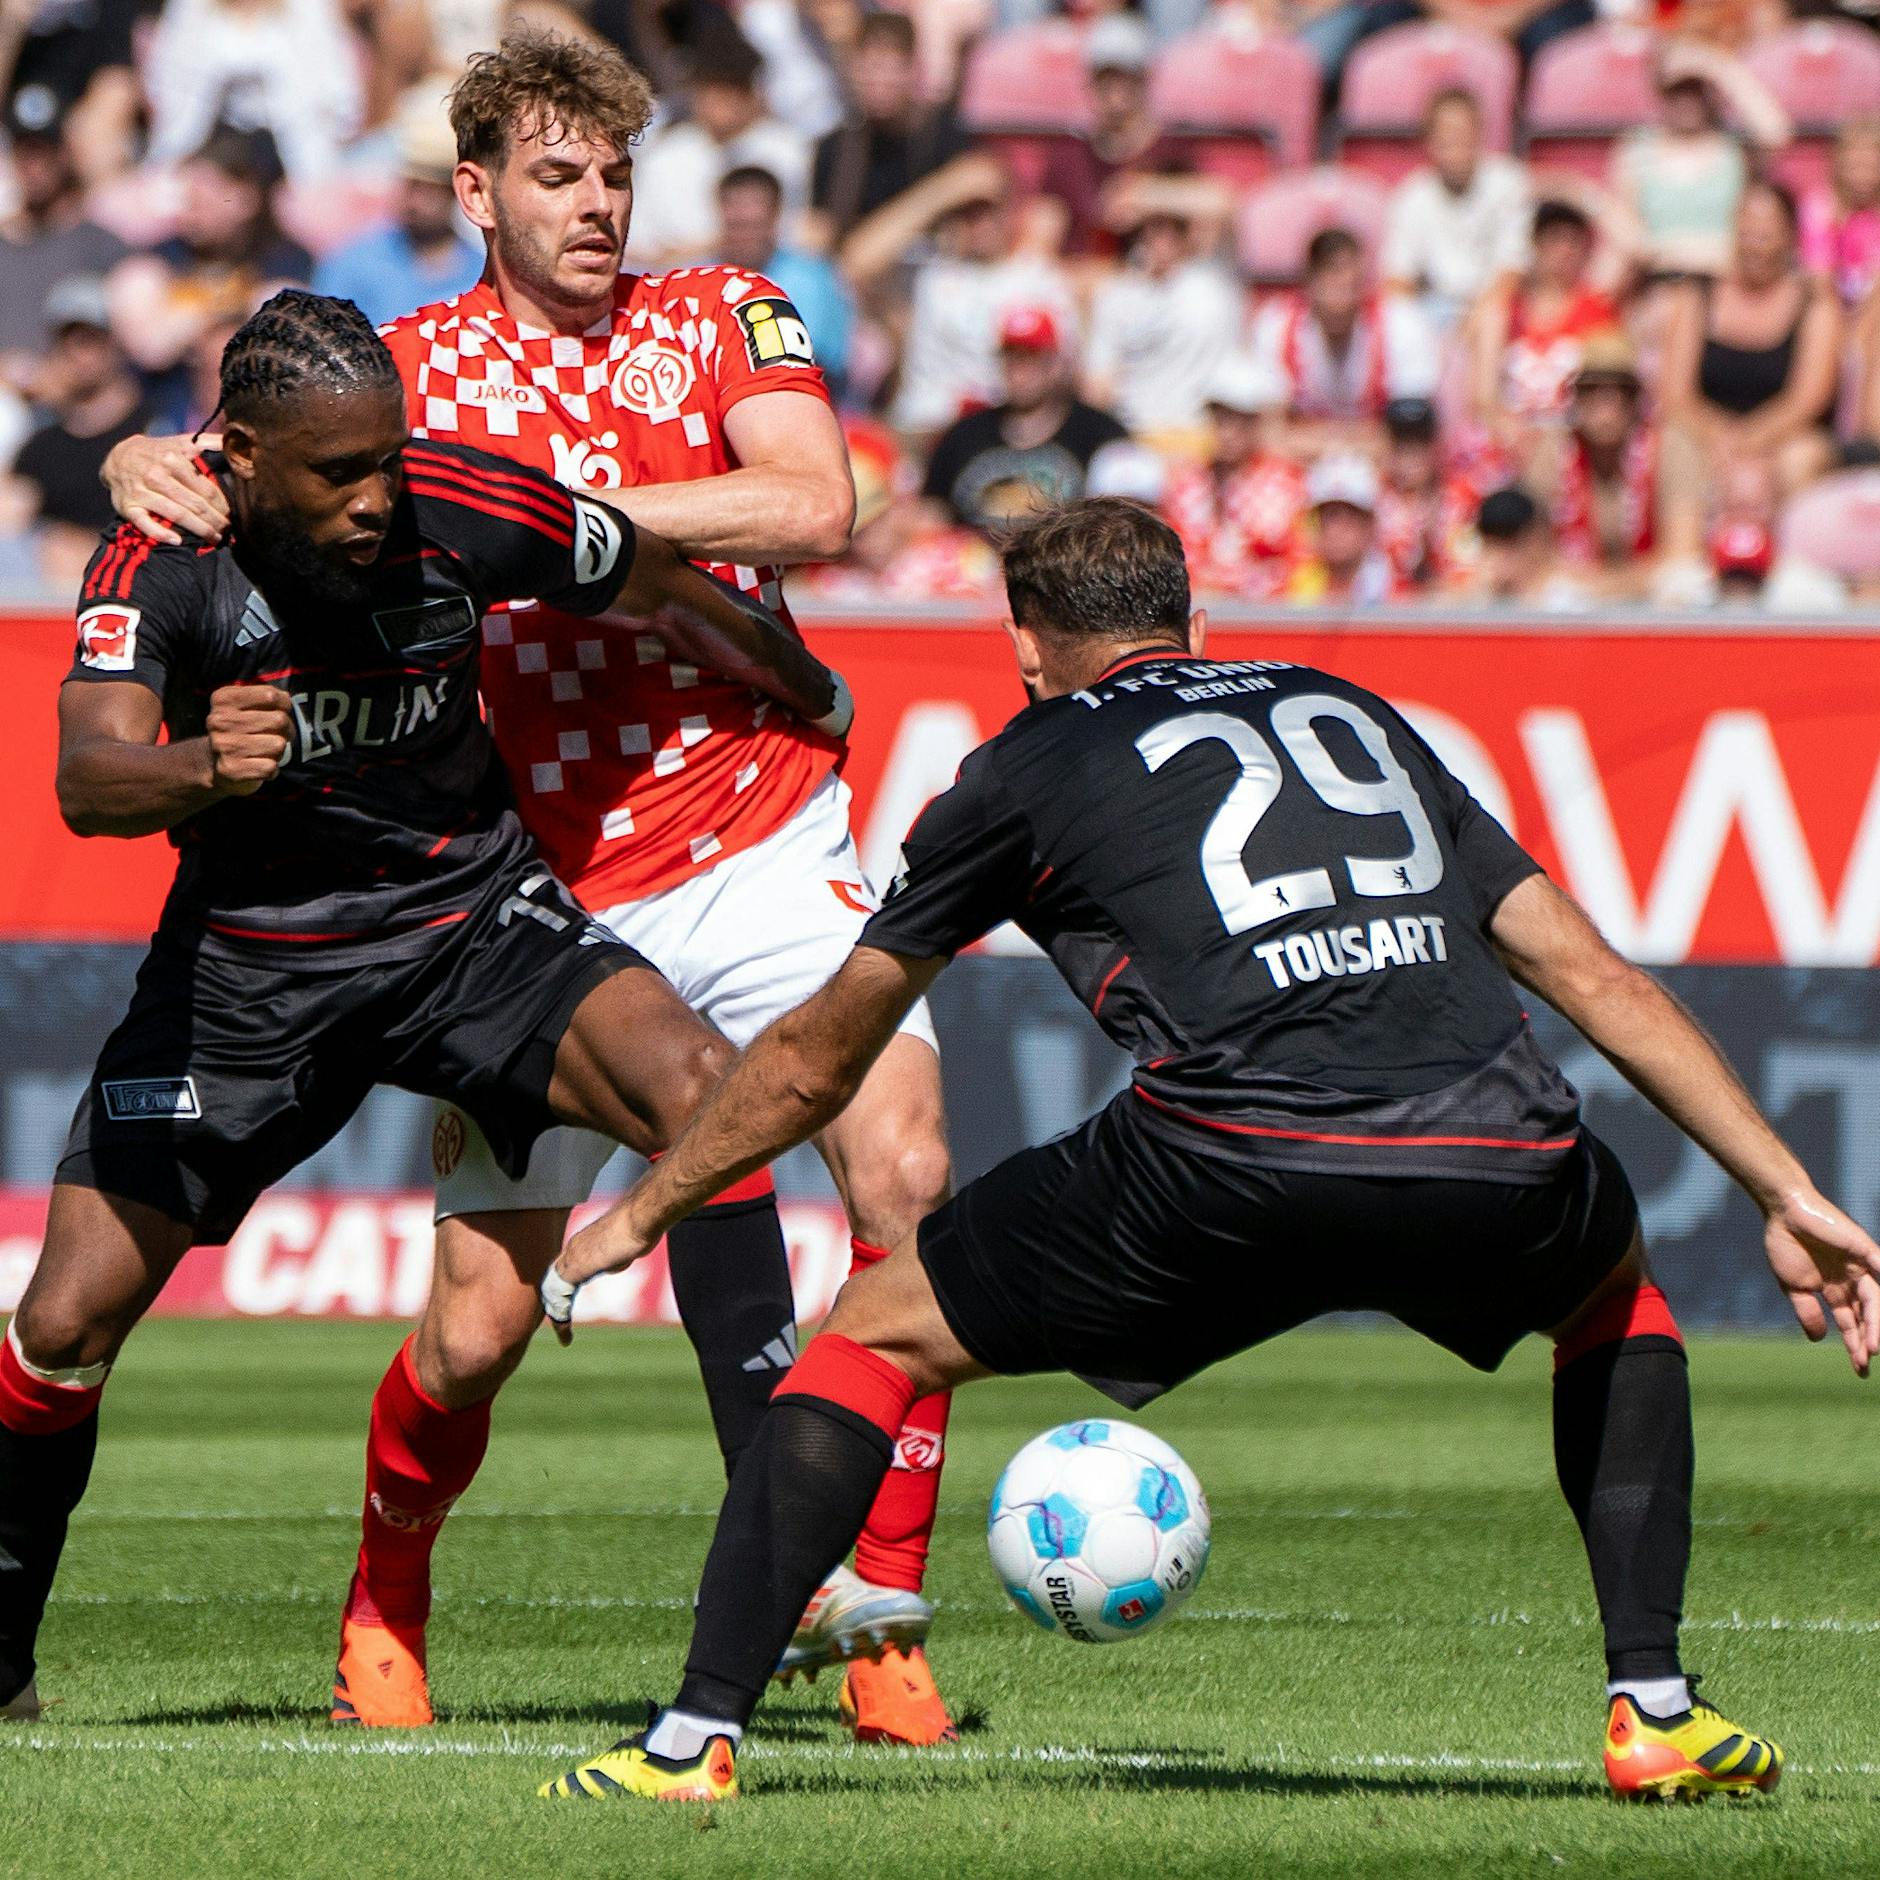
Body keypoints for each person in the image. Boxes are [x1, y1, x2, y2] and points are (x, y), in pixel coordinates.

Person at [531, 495, 1880, 1804]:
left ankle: (690, 1738)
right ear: (1193, 615)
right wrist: (1789, 1190)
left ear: (1025, 644)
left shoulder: (1022, 761)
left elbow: (819, 1053)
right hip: (1489, 1142)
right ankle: (1652, 1710)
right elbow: (1597, 978)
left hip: (1229, 1159)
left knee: (876, 1331)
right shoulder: (1355, 710)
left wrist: (647, 1209)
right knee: (1615, 1292)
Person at [104, 27, 961, 1747]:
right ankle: (388, 1583)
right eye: (559, 177)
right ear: (476, 192)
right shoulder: (395, 366)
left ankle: (873, 1620)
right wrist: (149, 467)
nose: (597, 208)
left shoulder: (725, 312)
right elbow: (211, 482)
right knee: (480, 1331)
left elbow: (817, 497)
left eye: (616, 176)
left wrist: (543, 518)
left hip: (759, 812)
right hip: (535, 881)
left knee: (908, 1173)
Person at [0, 286, 850, 1729]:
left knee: (712, 1091)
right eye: (340, 472)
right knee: (62, 1327)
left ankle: (777, 1553)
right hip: (250, 975)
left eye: (389, 458)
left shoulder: (460, 501)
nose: (376, 497)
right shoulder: (162, 556)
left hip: (474, 928)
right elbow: (87, 780)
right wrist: (202, 768)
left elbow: (647, 575)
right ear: (243, 456)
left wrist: (798, 681)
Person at [1658, 179, 1842, 567]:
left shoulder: (1815, 303)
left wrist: (1750, 443)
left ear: (1791, 236)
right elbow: (1676, 395)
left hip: (1784, 434)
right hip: (1709, 433)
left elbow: (1810, 398)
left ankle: (1795, 571)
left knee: (1803, 457)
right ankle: (1682, 566)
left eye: (1768, 229)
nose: (1756, 240)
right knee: (1676, 444)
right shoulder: (1696, 295)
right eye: (1748, 226)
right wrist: (1720, 438)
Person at [921, 305, 1127, 530]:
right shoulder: (964, 436)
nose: (1019, 372)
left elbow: (1119, 520)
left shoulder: (1097, 433)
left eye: (1031, 358)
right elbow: (931, 512)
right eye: (1011, 358)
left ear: (1056, 363)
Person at [625, 30, 810, 268]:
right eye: (714, 87)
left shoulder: (787, 150)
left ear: (754, 93)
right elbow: (640, 251)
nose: (725, 100)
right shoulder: (663, 156)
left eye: (736, 88)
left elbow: (802, 236)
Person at [1249, 227, 1438, 460]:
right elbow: (1269, 436)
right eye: (1332, 286)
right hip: (1302, 464)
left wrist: (1323, 441)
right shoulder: (1276, 325)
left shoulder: (1401, 323)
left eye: (1351, 288)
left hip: (1381, 466)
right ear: (1310, 283)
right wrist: (1347, 442)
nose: (1341, 302)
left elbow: (1409, 439)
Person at [8, 275, 148, 584]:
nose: (77, 352)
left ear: (113, 343)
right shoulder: (41, 445)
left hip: (130, 584)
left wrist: (85, 548)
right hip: (48, 591)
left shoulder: (151, 431)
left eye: (89, 339)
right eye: (66, 341)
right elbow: (13, 517)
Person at [1464, 200, 1620, 476]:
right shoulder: (1503, 312)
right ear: (1534, 246)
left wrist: (1572, 189)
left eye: (1574, 242)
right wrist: (1509, 426)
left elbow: (1636, 249)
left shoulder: (1596, 310)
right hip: (1510, 435)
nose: (1564, 251)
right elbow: (1483, 400)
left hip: (1571, 440)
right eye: (1554, 239)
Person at [1611, 43, 1787, 281]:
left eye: (1696, 89)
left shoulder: (1734, 149)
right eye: (1678, 90)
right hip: (1659, 280)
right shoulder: (1636, 150)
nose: (1688, 100)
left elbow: (1777, 133)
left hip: (1723, 282)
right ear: (1660, 91)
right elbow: (1627, 231)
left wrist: (1716, 67)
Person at [142, 0, 364, 181]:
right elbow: (168, 90)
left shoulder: (312, 7)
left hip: (294, 163)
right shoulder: (190, 7)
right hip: (209, 155)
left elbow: (340, 96)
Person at [1082, 200, 1242, 449]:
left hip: (1199, 434)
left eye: (1173, 230)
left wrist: (1142, 193)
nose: (1160, 239)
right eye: (1150, 230)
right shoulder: (1115, 295)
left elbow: (1223, 202)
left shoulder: (1215, 281)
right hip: (1133, 435)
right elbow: (1097, 385)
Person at [311, 98, 484, 327]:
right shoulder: (353, 264)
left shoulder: (480, 274)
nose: (414, 201)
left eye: (429, 190)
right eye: (411, 185)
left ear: (455, 193)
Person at [807, 11, 969, 245]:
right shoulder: (836, 149)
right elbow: (822, 232)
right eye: (869, 67)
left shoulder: (944, 134)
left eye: (890, 67)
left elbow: (979, 180)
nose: (879, 80)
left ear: (913, 70)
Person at [0, 94, 127, 386]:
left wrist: (61, 378)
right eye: (25, 153)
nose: (34, 166)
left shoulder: (101, 245)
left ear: (65, 155)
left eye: (44, 152)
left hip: (78, 404)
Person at [1381, 88, 1530, 333]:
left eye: (1463, 133)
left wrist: (1473, 319)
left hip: (1492, 309)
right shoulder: (1411, 196)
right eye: (1446, 136)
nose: (1455, 144)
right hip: (1431, 310)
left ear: (1479, 134)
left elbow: (1512, 270)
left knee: (1492, 320)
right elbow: (1397, 278)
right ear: (1428, 141)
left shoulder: (1508, 182)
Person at [1035, 14, 1182, 260]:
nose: (1115, 95)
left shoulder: (1170, 149)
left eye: (1126, 80)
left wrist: (1147, 195)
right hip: (1085, 280)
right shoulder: (1069, 155)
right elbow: (1040, 236)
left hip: (1155, 284)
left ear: (1145, 80)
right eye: (1105, 81)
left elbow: (1220, 204)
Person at [1161, 352, 1307, 598]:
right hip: (1198, 609)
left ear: (1255, 422)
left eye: (1236, 419)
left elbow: (1297, 563)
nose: (1226, 431)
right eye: (1219, 419)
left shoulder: (1285, 485)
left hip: (1265, 616)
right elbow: (1177, 558)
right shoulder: (1188, 484)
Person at [714, 165, 854, 397]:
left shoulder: (812, 277)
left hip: (797, 395)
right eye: (737, 224)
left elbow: (814, 359)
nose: (744, 234)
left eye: (754, 224)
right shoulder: (700, 275)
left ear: (776, 215)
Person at [1545, 335, 1657, 595]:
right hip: (1576, 605)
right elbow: (1534, 554)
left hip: (1651, 606)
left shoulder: (1664, 448)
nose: (1606, 405)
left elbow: (1683, 551)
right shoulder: (1552, 451)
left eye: (1619, 391)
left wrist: (1605, 587)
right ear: (1575, 399)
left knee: (1681, 581)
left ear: (1635, 401)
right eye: (1591, 390)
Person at [1373, 396, 1478, 591]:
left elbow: (1471, 574)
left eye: (1419, 445)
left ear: (1435, 447)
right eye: (1401, 446)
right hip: (1382, 611)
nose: (1410, 457)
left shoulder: (1462, 499)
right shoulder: (1373, 498)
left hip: (1445, 611)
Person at [1283, 453, 1399, 605]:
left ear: (1370, 524)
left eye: (1351, 514)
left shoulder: (1393, 590)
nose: (1336, 528)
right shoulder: (1295, 586)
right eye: (1329, 515)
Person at [1800, 115, 1880, 311]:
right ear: (1839, 162)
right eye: (1855, 165)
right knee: (1823, 307)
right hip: (1835, 310)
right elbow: (1819, 280)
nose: (1862, 174)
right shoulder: (1820, 206)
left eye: (1869, 165)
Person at [1469, 483, 1590, 610]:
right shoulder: (1478, 597)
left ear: (1535, 541)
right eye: (1494, 544)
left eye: (1511, 543)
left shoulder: (1566, 596)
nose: (1502, 555)